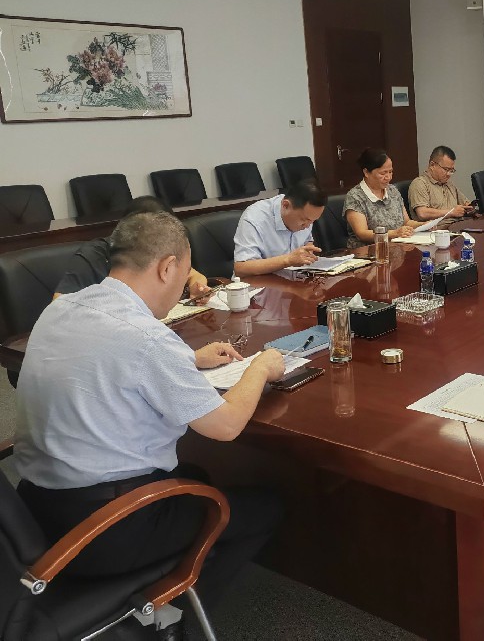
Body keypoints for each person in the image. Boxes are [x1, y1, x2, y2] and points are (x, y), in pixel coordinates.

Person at [14, 212, 287, 633]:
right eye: (185, 273)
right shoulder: (147, 337)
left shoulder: (61, 309)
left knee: (197, 477)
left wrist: (187, 359)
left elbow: (102, 360)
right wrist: (261, 368)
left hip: (32, 514)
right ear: (167, 267)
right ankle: (180, 626)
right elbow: (226, 426)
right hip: (103, 530)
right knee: (266, 506)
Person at [54, 195, 210, 299]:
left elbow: (193, 275)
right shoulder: (93, 256)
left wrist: (197, 287)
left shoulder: (161, 250)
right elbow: (59, 305)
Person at [233, 179, 326, 276]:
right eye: (304, 220)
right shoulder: (254, 218)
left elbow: (307, 242)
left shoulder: (307, 215)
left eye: (313, 221)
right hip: (259, 282)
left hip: (293, 279)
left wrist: (308, 252)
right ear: (285, 205)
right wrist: (288, 260)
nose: (307, 226)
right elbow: (241, 268)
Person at [344, 148, 422, 249]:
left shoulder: (392, 190)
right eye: (383, 173)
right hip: (368, 252)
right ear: (366, 172)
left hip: (397, 248)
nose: (388, 177)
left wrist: (425, 225)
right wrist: (394, 233)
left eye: (390, 172)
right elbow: (362, 233)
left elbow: (406, 222)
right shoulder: (355, 197)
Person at [407, 145, 476, 224]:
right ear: (432, 165)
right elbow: (422, 213)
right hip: (436, 229)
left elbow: (465, 202)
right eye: (446, 169)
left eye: (451, 170)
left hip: (457, 225)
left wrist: (469, 207)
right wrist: (451, 212)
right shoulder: (420, 184)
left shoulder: (448, 183)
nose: (449, 174)